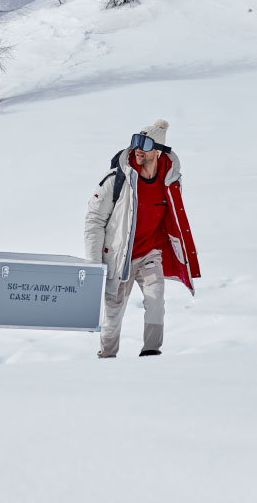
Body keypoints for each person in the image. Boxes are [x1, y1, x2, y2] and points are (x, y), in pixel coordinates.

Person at [85, 119, 199, 358]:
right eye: (136, 140)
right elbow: (94, 221)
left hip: (150, 253)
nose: (138, 148)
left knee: (156, 300)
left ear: (158, 151)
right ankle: (107, 357)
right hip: (119, 258)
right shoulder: (116, 179)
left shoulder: (169, 181)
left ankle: (151, 354)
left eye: (145, 143)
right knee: (113, 314)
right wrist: (94, 265)